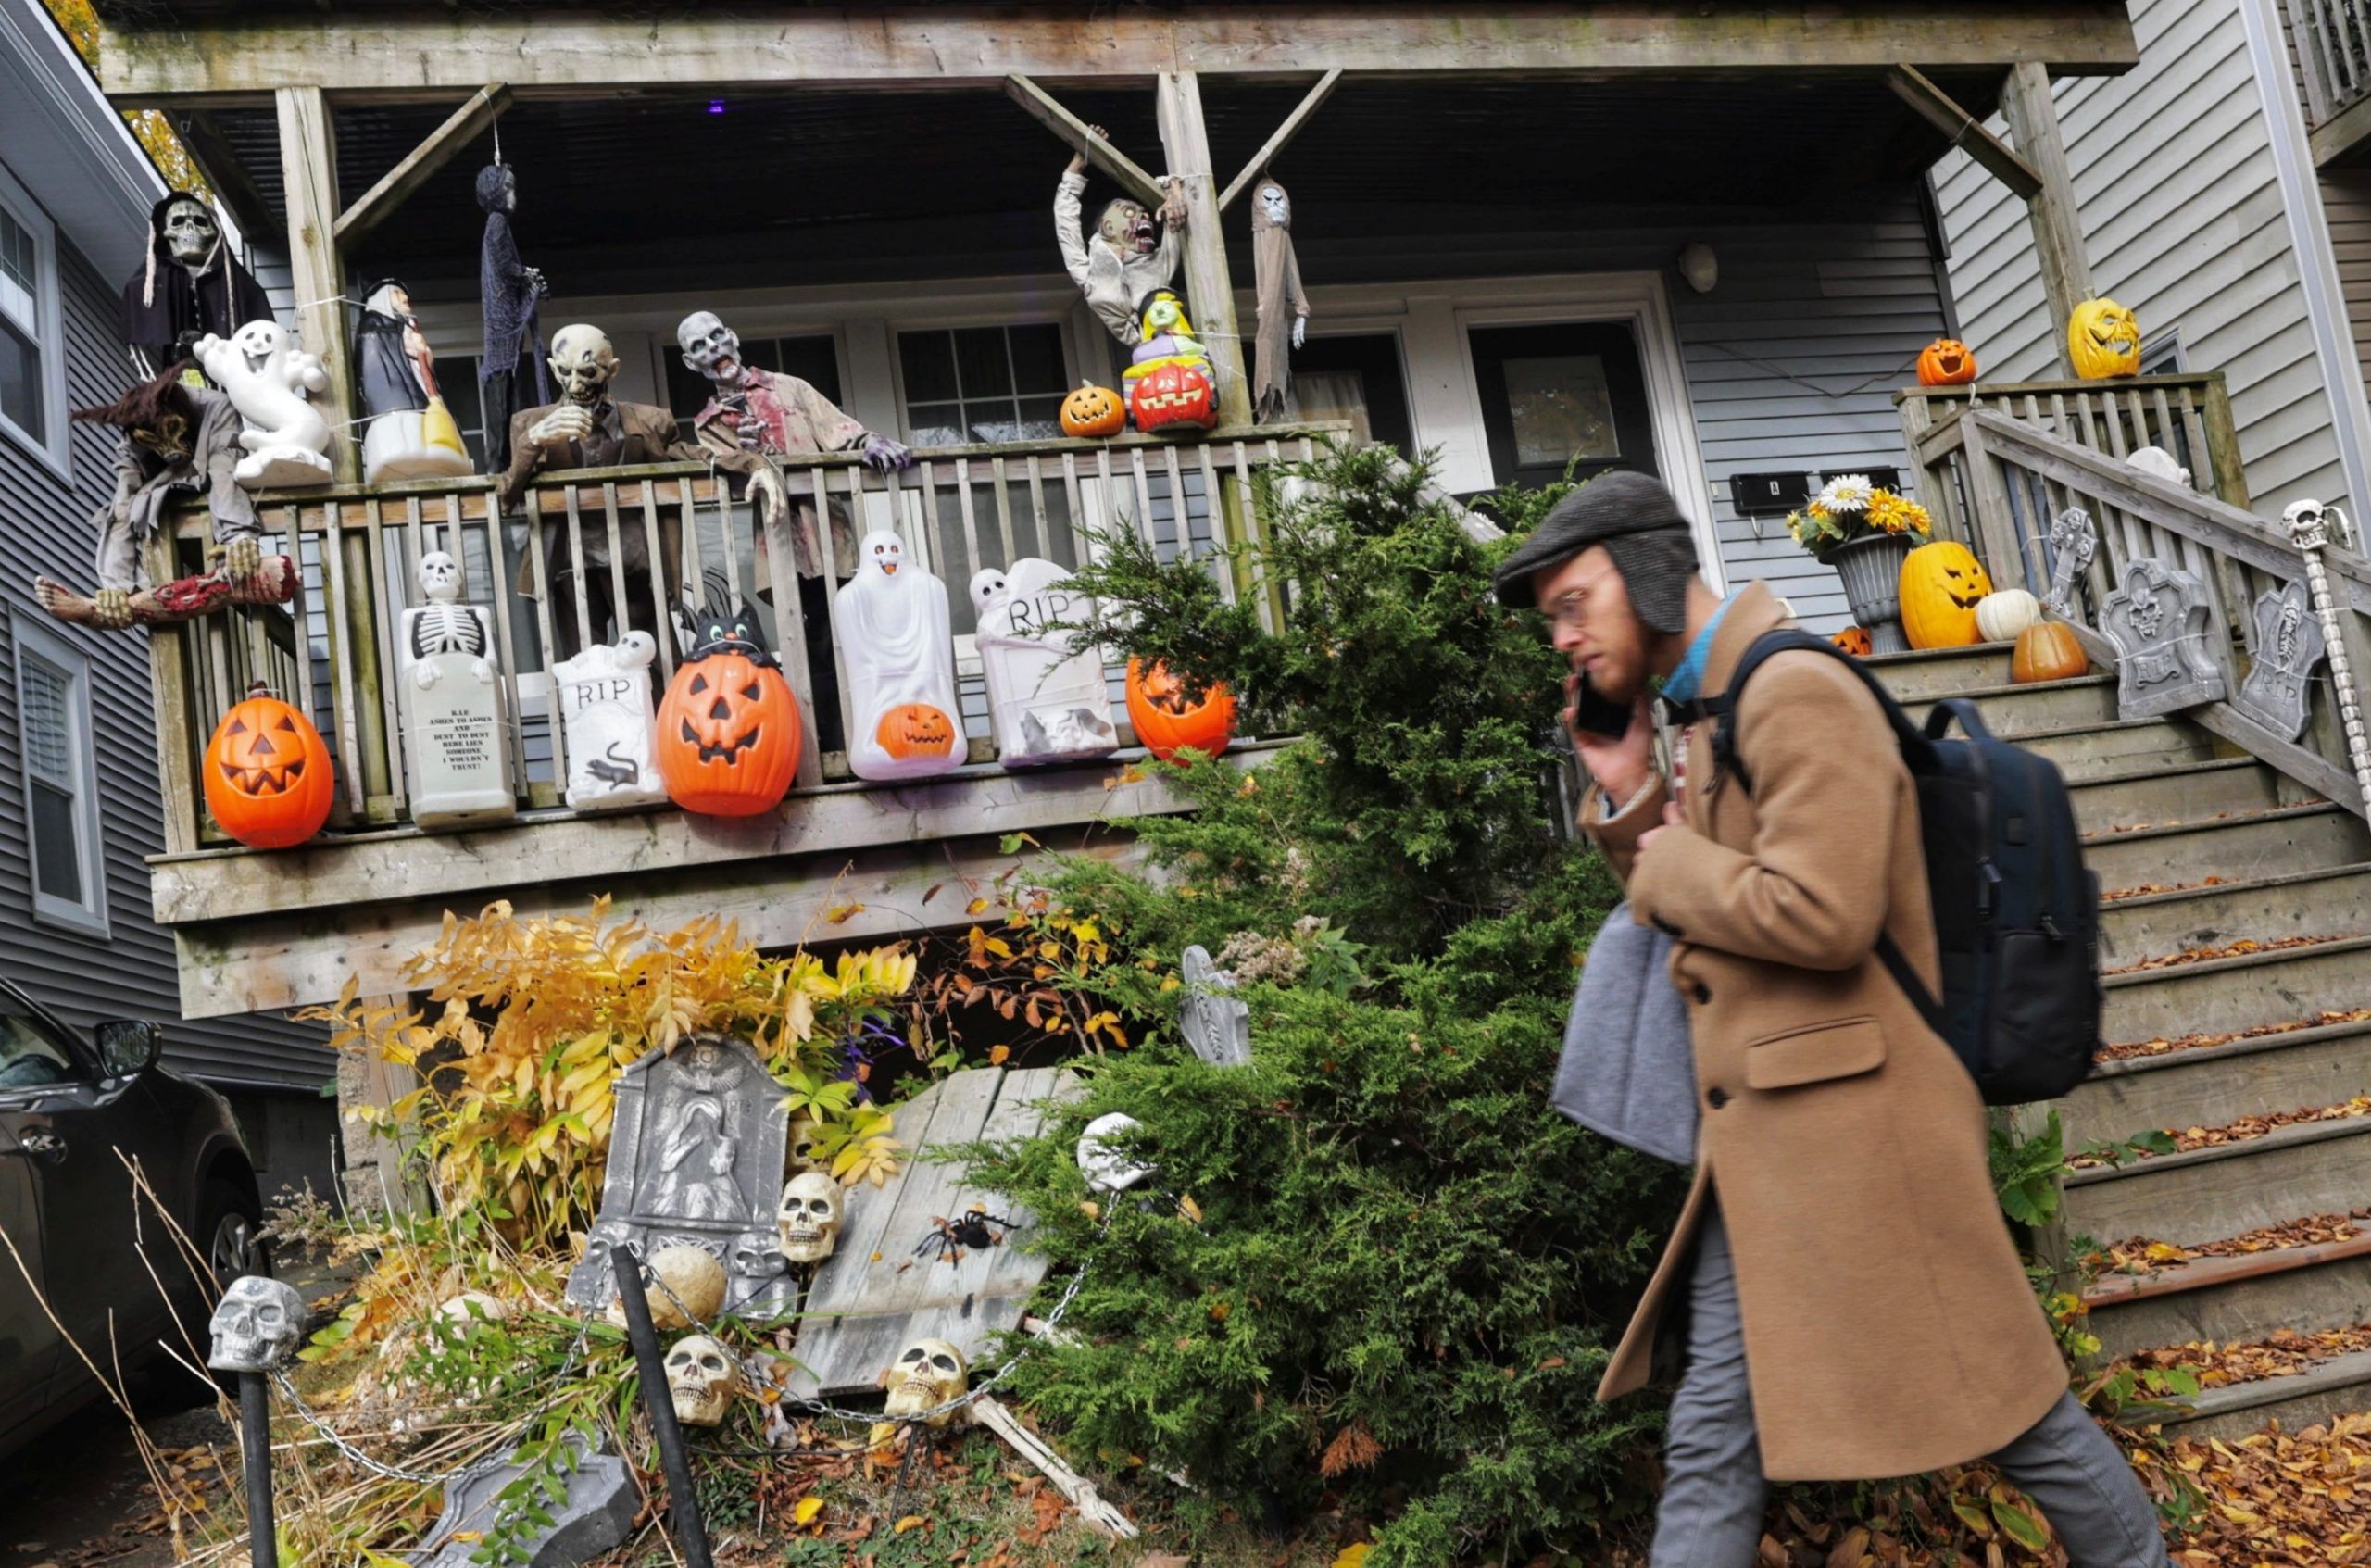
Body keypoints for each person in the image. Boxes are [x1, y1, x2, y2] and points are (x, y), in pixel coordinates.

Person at [1493, 471, 2170, 1568]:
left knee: (2014, 1410)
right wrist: (1626, 799)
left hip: (1867, 1139)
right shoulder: (1714, 710)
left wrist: (1668, 863)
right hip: (1779, 1139)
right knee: (1715, 1433)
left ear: (1648, 572)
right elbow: (1706, 903)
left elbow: (1823, 910)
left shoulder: (1794, 688)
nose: (1562, 637)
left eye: (1573, 602)